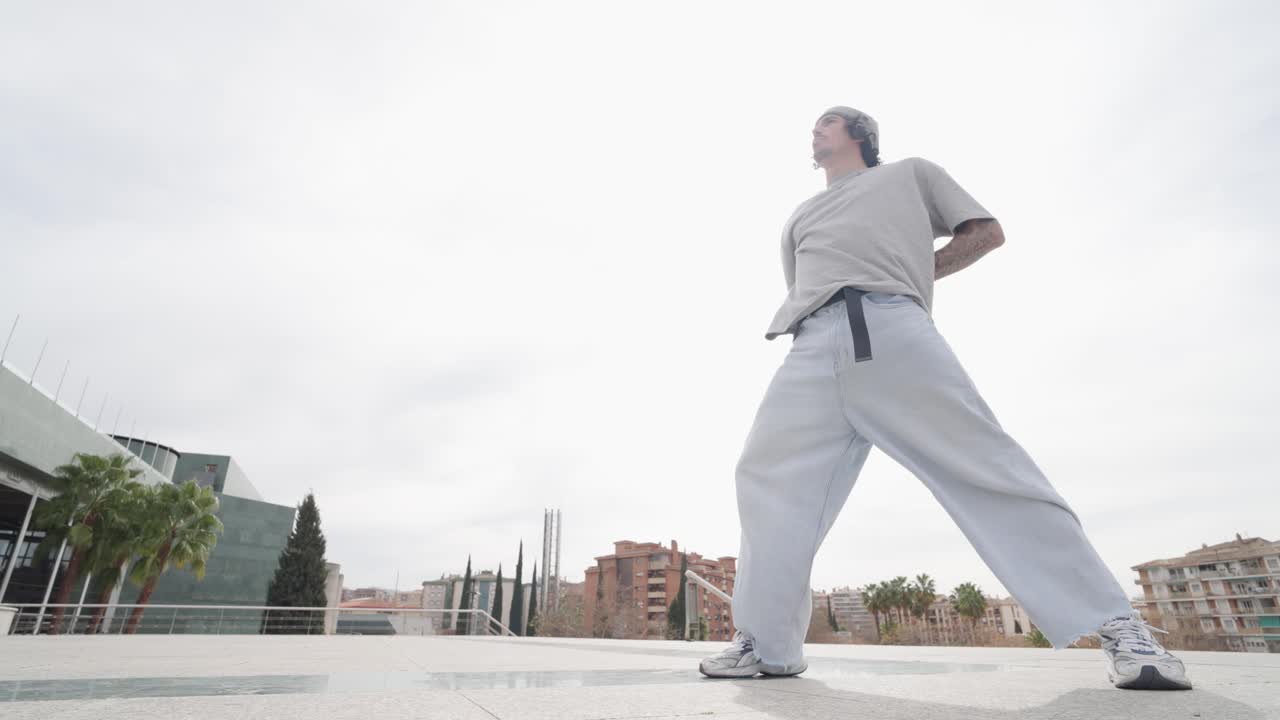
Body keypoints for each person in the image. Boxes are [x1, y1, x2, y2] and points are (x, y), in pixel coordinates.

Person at [698, 106, 1191, 691]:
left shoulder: (909, 173)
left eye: (829, 121)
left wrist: (914, 273)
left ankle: (1120, 627)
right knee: (764, 480)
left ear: (860, 134)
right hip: (808, 344)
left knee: (986, 468)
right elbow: (801, 285)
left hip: (890, 326)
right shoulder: (799, 215)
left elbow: (984, 232)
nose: (816, 128)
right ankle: (766, 644)